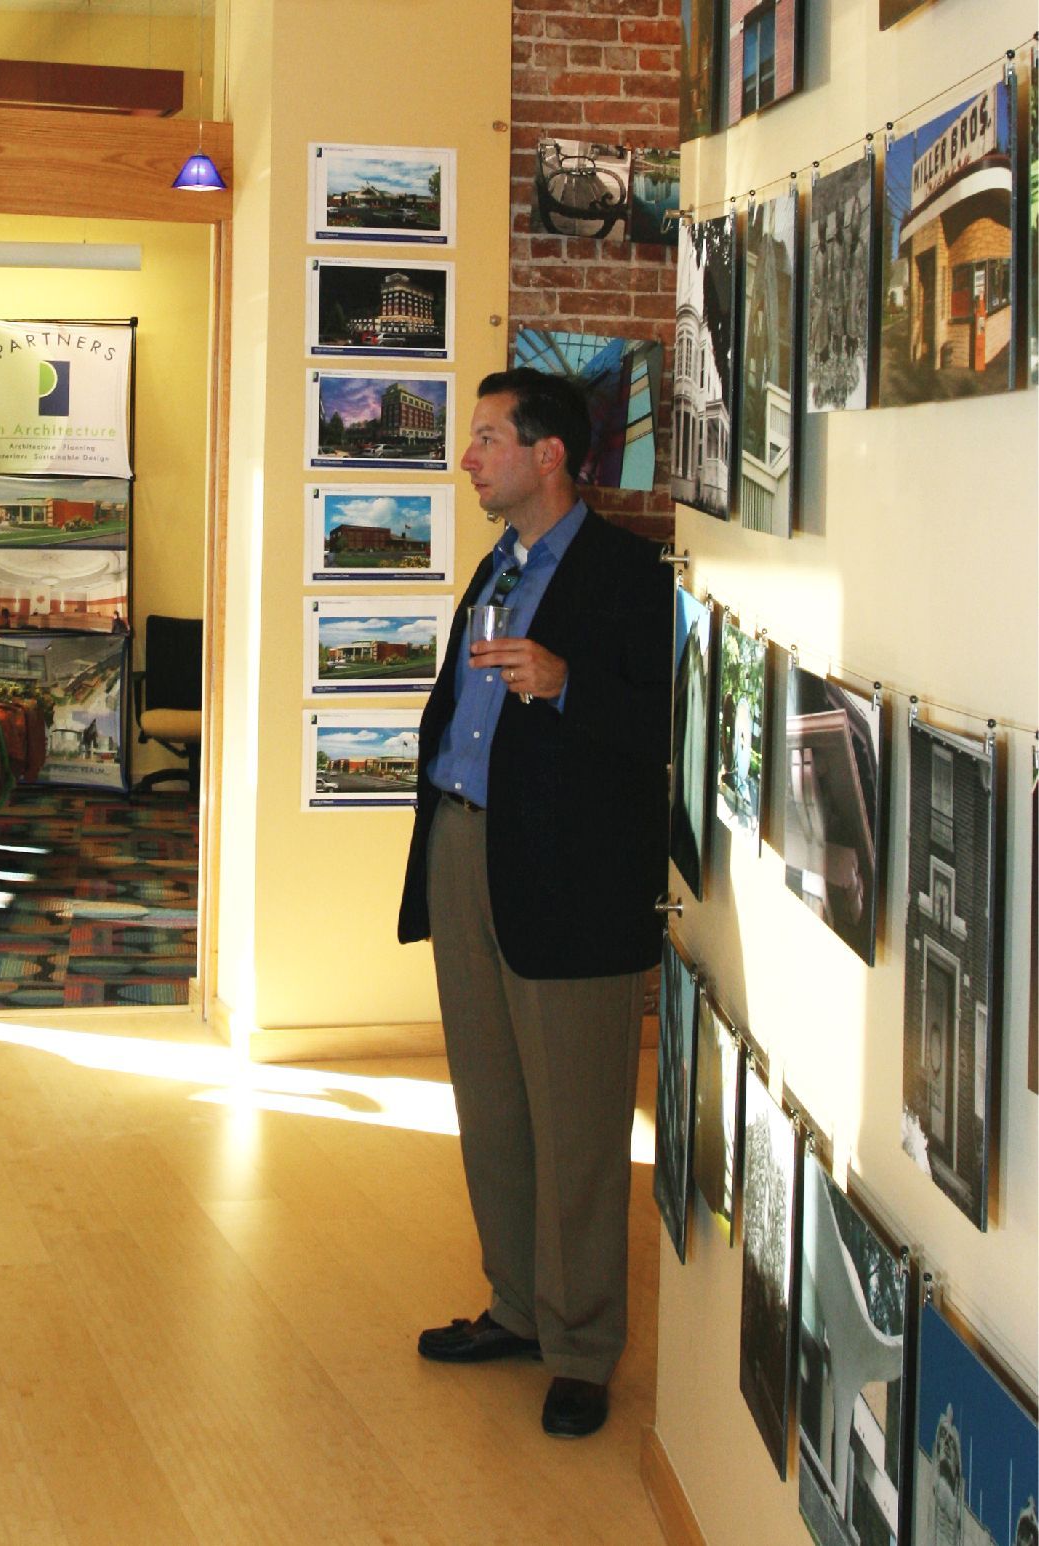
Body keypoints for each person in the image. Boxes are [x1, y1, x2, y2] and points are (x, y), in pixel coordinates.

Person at [398, 367, 670, 1439]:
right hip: (467, 850)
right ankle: (516, 1304)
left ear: (547, 454)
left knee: (577, 1127)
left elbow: (662, 727)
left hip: (569, 880)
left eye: (484, 438)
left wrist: (567, 686)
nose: (467, 455)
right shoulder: (496, 565)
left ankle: (582, 1344)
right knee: (492, 1103)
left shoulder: (627, 575)